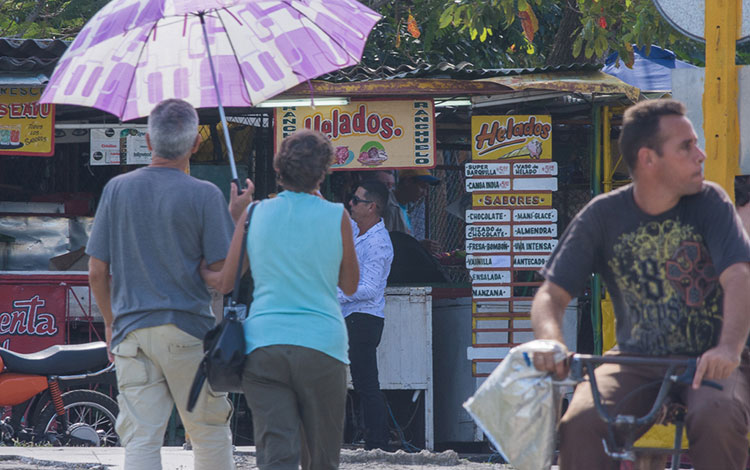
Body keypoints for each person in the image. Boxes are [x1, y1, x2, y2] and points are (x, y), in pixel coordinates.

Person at [531, 99, 750, 469]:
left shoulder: (711, 202)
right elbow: (550, 294)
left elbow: (739, 276)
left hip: (710, 360)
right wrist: (551, 339)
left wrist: (729, 349)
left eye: (696, 143)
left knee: (716, 418)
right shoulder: (603, 214)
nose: (701, 155)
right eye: (686, 147)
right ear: (649, 159)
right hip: (638, 358)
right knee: (580, 424)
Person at [86, 99, 252, 470]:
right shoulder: (205, 194)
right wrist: (238, 219)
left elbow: (97, 272)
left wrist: (112, 323)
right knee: (208, 432)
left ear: (148, 140)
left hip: (132, 335)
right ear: (195, 145)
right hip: (188, 331)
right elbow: (226, 278)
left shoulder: (117, 189)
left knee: (141, 439)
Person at [201, 129, 359, 470]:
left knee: (276, 456)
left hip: (265, 347)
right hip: (324, 348)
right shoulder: (338, 217)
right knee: (322, 458)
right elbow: (350, 285)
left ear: (279, 170)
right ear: (323, 171)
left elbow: (226, 282)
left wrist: (202, 268)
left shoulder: (254, 214)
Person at [338, 180, 394, 451]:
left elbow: (370, 288)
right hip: (352, 315)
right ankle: (371, 439)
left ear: (372, 207)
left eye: (356, 201)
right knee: (358, 381)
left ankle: (377, 442)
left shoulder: (379, 243)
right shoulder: (357, 230)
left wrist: (334, 294)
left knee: (366, 383)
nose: (351, 203)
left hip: (363, 318)